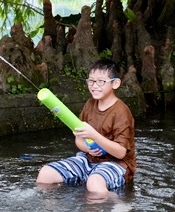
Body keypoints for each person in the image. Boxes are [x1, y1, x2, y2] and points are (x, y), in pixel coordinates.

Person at [36, 58, 136, 198]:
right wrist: (87, 148)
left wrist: (94, 135)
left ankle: (113, 203)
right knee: (46, 174)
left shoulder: (121, 112)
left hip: (117, 164)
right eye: (91, 81)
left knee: (94, 183)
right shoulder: (89, 104)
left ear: (115, 83)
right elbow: (79, 140)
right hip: (88, 159)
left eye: (101, 81)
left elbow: (120, 153)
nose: (94, 86)